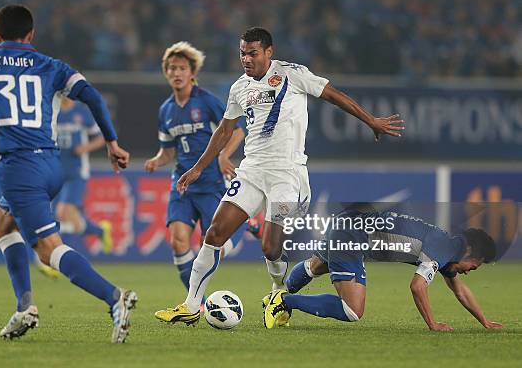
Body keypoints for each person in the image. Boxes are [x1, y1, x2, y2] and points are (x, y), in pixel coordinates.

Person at [154, 27, 404, 325]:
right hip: (252, 169)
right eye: (242, 53)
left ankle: (277, 292)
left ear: (268, 52)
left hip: (287, 173)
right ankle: (191, 304)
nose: (246, 58)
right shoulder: (239, 87)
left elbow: (334, 96)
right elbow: (224, 130)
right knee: (215, 232)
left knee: (270, 248)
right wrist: (197, 168)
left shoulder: (291, 74)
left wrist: (371, 120)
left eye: (253, 53)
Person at [0, 4, 137, 343]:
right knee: (1, 223)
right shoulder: (51, 66)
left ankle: (115, 298)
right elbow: (93, 96)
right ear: (31, 35)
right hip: (51, 165)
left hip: (19, 167)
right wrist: (111, 141)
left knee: (49, 249)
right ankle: (25, 307)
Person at [266, 208, 504, 331]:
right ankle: (285, 301)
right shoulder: (443, 249)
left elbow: (460, 291)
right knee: (353, 310)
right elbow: (417, 286)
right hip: (353, 235)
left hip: (346, 223)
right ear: (471, 252)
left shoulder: (449, 250)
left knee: (316, 266)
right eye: (476, 265)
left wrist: (484, 321)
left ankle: (275, 296)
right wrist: (433, 324)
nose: (471, 270)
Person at [144, 42, 249, 296]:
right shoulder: (166, 110)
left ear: (192, 72)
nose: (176, 73)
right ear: (166, 72)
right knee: (179, 240)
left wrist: (224, 155)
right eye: (171, 68)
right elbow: (168, 150)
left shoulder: (207, 101)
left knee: (214, 247)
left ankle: (248, 226)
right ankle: (196, 301)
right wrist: (157, 160)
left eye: (181, 68)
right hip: (182, 184)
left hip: (211, 183)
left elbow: (237, 131)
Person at [55, 96, 109, 254]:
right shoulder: (53, 111)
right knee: (66, 217)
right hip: (56, 170)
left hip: (77, 171)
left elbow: (101, 137)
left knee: (63, 211)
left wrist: (85, 148)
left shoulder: (82, 112)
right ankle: (100, 231)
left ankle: (61, 256)